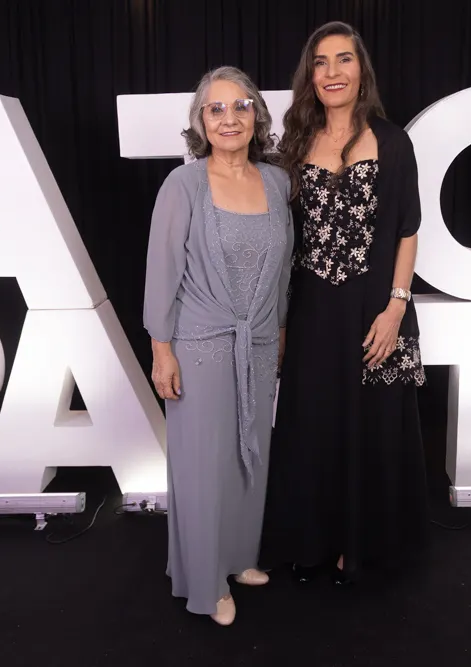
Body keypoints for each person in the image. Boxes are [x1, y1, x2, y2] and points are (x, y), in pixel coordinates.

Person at [261, 21, 429, 585]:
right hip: (312, 313)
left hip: (376, 310)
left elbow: (408, 229)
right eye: (321, 62)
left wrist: (396, 308)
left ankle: (361, 544)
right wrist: (281, 322)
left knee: (372, 428)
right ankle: (312, 542)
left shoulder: (393, 141)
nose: (332, 72)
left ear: (362, 71)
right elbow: (285, 238)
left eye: (344, 60)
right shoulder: (294, 144)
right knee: (314, 424)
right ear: (310, 76)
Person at [143, 66, 293, 625]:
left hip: (258, 342)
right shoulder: (183, 185)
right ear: (201, 122)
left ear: (257, 116)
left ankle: (237, 557)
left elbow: (284, 270)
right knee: (204, 465)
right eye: (216, 108)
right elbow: (162, 272)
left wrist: (279, 331)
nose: (230, 118)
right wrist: (161, 350)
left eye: (241, 106)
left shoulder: (277, 182)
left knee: (247, 457)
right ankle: (206, 584)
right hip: (198, 345)